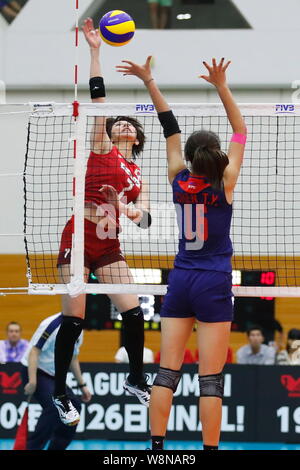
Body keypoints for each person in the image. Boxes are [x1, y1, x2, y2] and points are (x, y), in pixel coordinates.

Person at [116, 56, 246, 451]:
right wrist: (222, 85)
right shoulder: (225, 181)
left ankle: (157, 449)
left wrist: (149, 80)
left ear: (189, 156)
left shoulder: (177, 177)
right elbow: (241, 129)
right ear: (215, 154)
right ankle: (208, 451)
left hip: (181, 278)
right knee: (210, 379)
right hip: (213, 280)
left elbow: (169, 125)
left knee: (166, 372)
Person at [53, 18, 152, 425]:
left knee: (133, 313)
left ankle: (134, 378)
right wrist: (95, 52)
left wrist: (129, 210)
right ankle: (60, 392)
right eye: (119, 123)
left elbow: (145, 219)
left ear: (139, 140)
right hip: (79, 236)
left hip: (110, 244)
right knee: (74, 319)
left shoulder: (138, 177)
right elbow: (98, 100)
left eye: (131, 125)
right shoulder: (102, 147)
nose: (123, 124)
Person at [21, 312, 91, 450]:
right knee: (54, 406)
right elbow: (34, 351)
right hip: (35, 370)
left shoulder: (78, 327)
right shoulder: (52, 324)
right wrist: (33, 381)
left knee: (75, 406)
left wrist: (82, 385)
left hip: (54, 375)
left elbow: (73, 357)